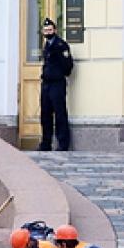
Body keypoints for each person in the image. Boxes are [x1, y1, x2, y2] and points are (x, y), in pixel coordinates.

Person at [38, 17, 73, 151]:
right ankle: (46, 143)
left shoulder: (61, 45)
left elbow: (68, 65)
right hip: (46, 84)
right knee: (45, 115)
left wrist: (58, 74)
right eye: (45, 30)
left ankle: (63, 144)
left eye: (50, 30)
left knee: (59, 114)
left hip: (57, 84)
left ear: (55, 30)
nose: (48, 32)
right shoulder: (46, 45)